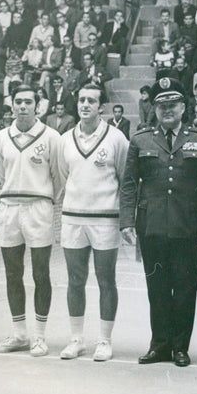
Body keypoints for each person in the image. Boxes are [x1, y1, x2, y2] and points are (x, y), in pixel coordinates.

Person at [119, 77, 197, 367]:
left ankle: (180, 347)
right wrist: (127, 221)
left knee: (186, 289)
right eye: (162, 105)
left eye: (173, 104)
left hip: (187, 229)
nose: (167, 110)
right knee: (157, 289)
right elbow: (129, 185)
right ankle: (159, 345)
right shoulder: (141, 140)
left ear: (184, 106)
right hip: (152, 228)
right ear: (155, 109)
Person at [56, 84, 129, 361]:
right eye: (82, 100)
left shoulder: (117, 139)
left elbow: (124, 179)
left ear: (102, 107)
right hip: (73, 219)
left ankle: (104, 340)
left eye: (91, 101)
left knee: (106, 279)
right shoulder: (65, 140)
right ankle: (76, 339)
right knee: (75, 280)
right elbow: (64, 176)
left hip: (105, 221)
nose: (85, 104)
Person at [0, 85, 63, 357]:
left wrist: (44, 199)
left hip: (38, 208)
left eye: (27, 102)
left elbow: (59, 176)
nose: (22, 106)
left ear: (38, 105)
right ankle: (19, 334)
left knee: (40, 273)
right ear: (11, 104)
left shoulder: (52, 137)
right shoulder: (1, 137)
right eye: (18, 102)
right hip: (9, 208)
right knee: (12, 273)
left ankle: (40, 337)